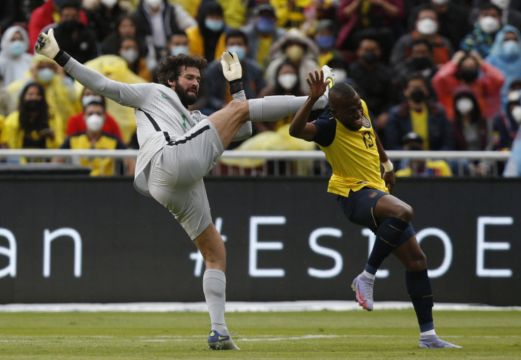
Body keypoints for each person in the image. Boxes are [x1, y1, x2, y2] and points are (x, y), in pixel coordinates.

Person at [35, 27, 330, 350]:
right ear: (171, 81)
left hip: (176, 182)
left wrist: (236, 85)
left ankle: (219, 331)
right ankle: (320, 99)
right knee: (236, 109)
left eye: (198, 80)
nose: (195, 83)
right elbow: (104, 86)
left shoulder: (196, 118)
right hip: (168, 160)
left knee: (215, 253)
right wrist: (60, 57)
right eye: (189, 77)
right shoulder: (153, 93)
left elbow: (242, 129)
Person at [287, 69, 461, 349]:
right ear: (334, 110)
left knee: (417, 260)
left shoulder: (358, 106)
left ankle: (428, 336)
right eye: (351, 111)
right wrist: (311, 100)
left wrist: (387, 163)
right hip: (354, 194)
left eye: (359, 107)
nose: (358, 114)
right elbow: (295, 130)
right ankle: (366, 277)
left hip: (376, 189)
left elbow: (371, 131)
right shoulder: (327, 126)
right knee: (403, 211)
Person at [60, 100, 128, 176]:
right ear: (84, 117)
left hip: (106, 185)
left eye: (98, 114)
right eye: (90, 114)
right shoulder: (72, 140)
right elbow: (57, 162)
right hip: (78, 185)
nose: (94, 117)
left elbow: (130, 163)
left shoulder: (114, 141)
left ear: (104, 117)